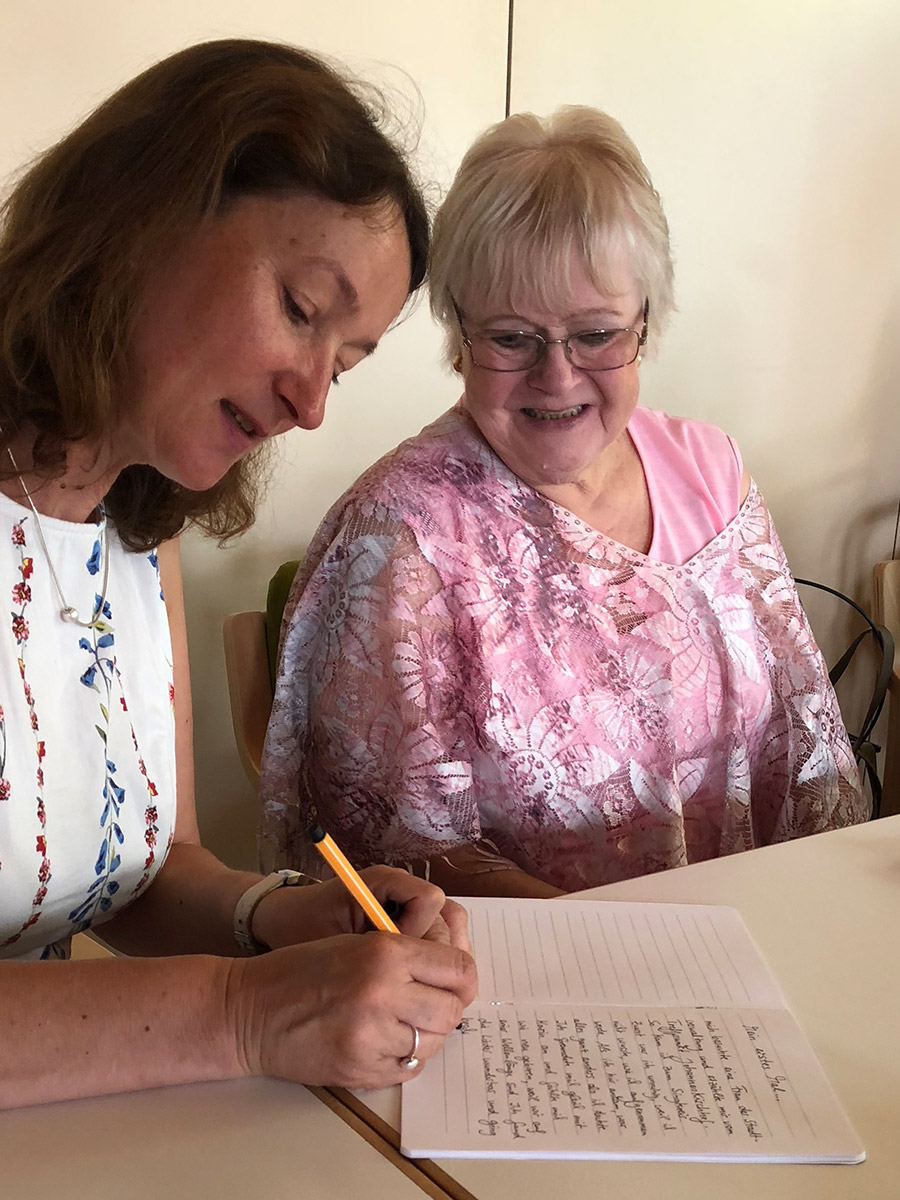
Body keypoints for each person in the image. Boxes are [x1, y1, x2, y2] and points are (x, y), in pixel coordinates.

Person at [0, 38, 476, 1111]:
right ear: (140, 218)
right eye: (301, 309)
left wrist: (284, 919)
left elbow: (143, 874)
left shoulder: (134, 526)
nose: (311, 403)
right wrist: (244, 1014)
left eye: (343, 362)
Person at [260, 105, 867, 899]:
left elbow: (809, 754)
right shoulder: (400, 533)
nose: (557, 376)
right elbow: (397, 857)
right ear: (460, 336)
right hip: (538, 966)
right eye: (512, 337)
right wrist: (620, 950)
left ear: (646, 323)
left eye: (597, 334)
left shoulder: (711, 472)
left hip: (752, 934)